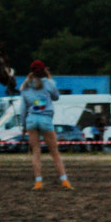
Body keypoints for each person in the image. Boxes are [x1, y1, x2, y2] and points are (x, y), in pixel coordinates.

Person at [20, 59, 72, 190]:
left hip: (31, 119)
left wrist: (23, 126)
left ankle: (38, 182)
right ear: (44, 71)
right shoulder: (49, 83)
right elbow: (56, 97)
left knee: (36, 152)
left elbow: (23, 109)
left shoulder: (25, 86)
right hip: (45, 119)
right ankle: (64, 180)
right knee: (54, 152)